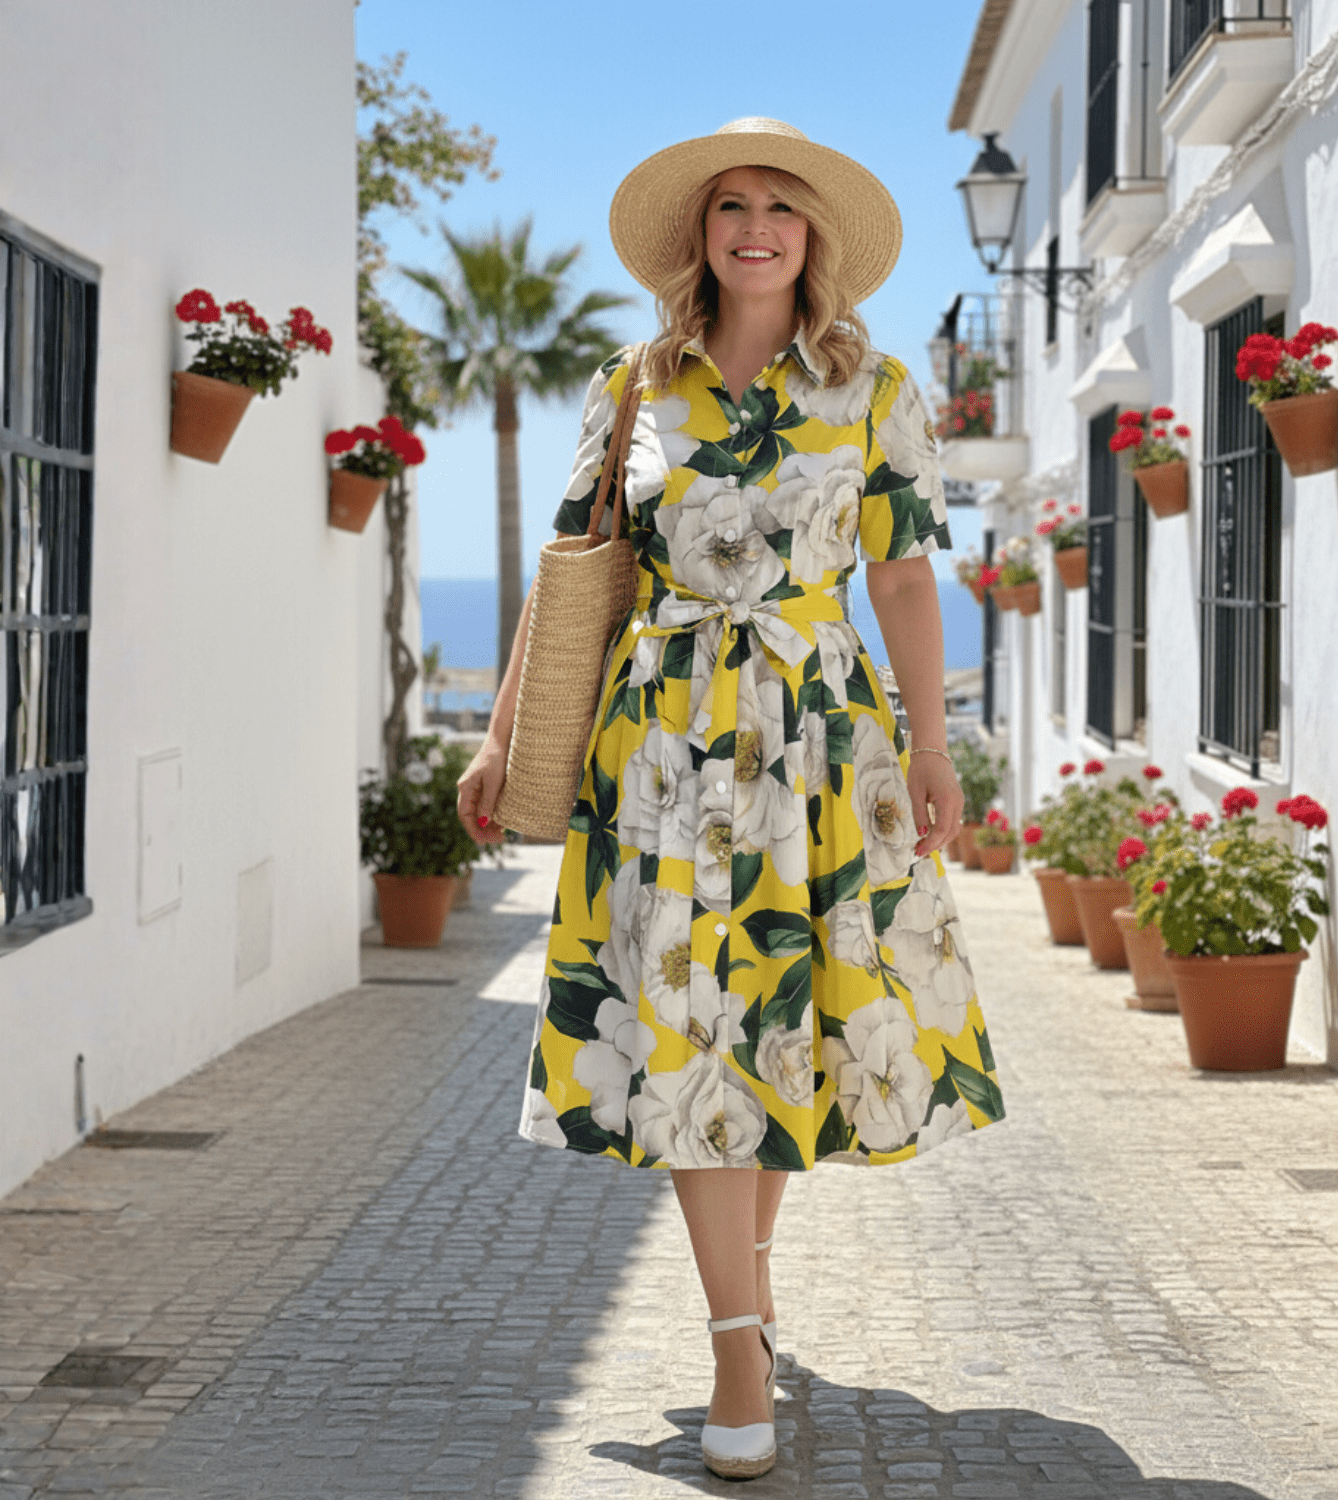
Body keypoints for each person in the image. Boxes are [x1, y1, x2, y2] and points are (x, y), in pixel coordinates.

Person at [455, 117, 1005, 1482]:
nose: (756, 227)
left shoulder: (872, 385)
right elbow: (573, 567)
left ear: (813, 240)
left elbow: (902, 580)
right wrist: (498, 731)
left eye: (780, 208)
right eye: (731, 208)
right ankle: (735, 1340)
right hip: (662, 745)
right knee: (696, 1026)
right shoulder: (630, 384)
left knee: (777, 1026)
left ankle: (745, 1308)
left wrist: (932, 751)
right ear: (699, 238)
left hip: (822, 740)